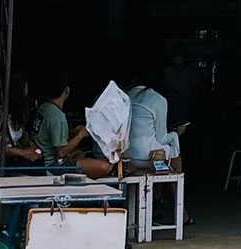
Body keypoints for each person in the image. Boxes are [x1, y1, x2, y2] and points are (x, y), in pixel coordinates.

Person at [122, 74, 192, 225]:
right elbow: (161, 137)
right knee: (174, 156)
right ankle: (180, 210)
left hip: (125, 156)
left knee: (167, 156)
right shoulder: (158, 99)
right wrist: (176, 133)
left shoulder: (125, 97)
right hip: (147, 157)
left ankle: (156, 200)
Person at [33, 70, 111, 179]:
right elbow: (60, 152)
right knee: (104, 167)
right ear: (66, 90)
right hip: (52, 165)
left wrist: (73, 132)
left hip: (43, 160)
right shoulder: (56, 116)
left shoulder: (44, 107)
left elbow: (53, 138)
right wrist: (80, 135)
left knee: (80, 154)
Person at [1, 70, 42, 166]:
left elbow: (23, 136)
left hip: (15, 161)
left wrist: (32, 146)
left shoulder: (18, 113)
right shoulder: (0, 116)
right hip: (1, 165)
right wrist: (23, 153)